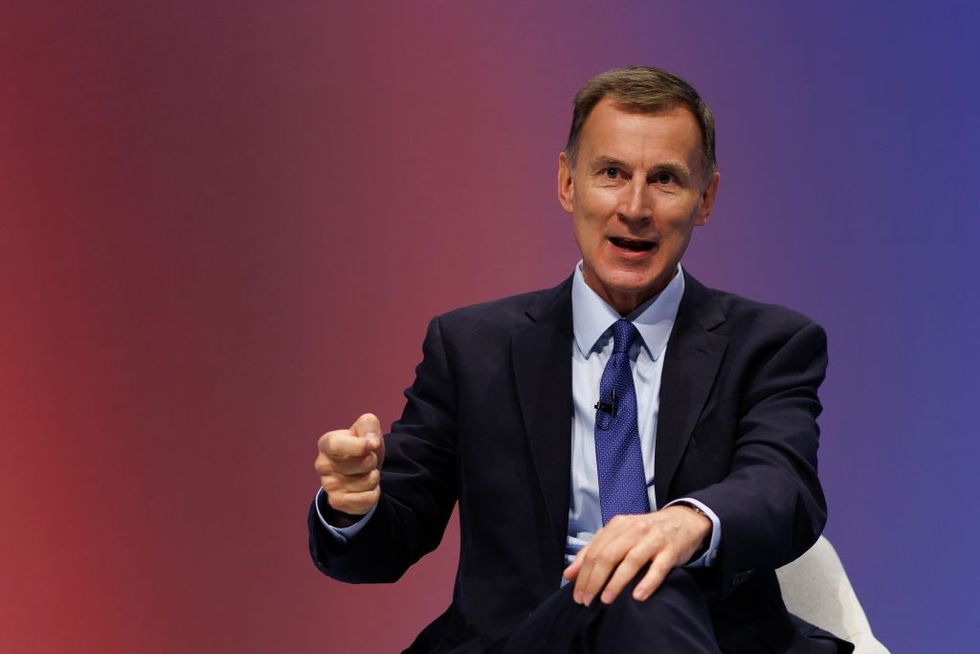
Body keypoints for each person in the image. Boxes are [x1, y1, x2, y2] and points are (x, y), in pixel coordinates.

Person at [309, 66, 852, 653]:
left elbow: (782, 486)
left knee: (642, 580)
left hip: (699, 635)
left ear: (705, 199)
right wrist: (352, 504)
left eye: (665, 179)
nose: (635, 207)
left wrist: (686, 521)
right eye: (612, 173)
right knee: (633, 583)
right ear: (568, 183)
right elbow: (386, 544)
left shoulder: (768, 344)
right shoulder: (472, 347)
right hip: (525, 641)